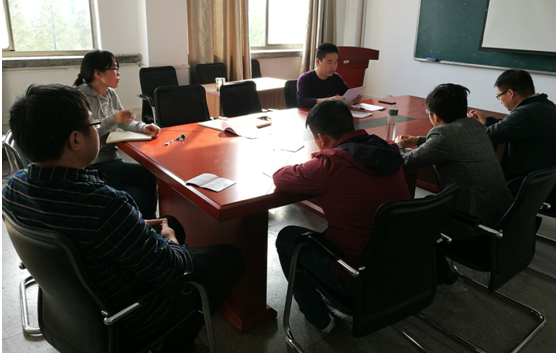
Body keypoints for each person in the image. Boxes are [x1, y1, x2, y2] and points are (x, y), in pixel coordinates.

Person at [2, 84, 244, 352]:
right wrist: (171, 240)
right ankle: (175, 341)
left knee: (170, 221)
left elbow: (80, 233)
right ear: (75, 140)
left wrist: (139, 227)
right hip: (125, 317)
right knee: (229, 259)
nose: (97, 129)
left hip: (73, 310)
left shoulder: (13, 189)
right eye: (93, 124)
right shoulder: (102, 204)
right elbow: (172, 269)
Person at [273, 100, 410, 333]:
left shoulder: (330, 165)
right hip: (402, 268)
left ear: (321, 139)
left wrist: (319, 159)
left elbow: (280, 178)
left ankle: (319, 318)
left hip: (356, 277)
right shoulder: (388, 149)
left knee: (287, 238)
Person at [395, 84, 513, 283]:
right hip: (502, 216)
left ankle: (441, 272)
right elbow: (454, 141)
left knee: (414, 215)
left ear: (435, 117)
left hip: (472, 224)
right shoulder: (476, 126)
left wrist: (398, 146)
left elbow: (403, 164)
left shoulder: (443, 137)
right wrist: (419, 140)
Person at [75, 49, 159, 219]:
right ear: (98, 73)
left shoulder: (110, 93)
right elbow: (84, 136)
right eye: (114, 68)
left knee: (141, 192)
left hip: (112, 158)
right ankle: (151, 222)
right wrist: (113, 119)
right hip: (94, 164)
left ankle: (143, 221)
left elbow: (123, 121)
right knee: (148, 174)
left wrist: (143, 127)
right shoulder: (80, 97)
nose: (119, 73)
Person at [467, 69, 556, 179]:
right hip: (544, 179)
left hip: (525, 180)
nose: (500, 101)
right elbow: (511, 125)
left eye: (499, 96)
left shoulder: (527, 112)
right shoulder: (544, 105)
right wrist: (487, 121)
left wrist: (469, 124)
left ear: (510, 93)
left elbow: (488, 136)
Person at [297, 43, 360, 108]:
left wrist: (355, 99)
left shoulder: (336, 78)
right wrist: (329, 100)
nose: (333, 66)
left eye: (335, 62)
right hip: (310, 113)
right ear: (318, 62)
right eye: (329, 62)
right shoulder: (305, 79)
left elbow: (347, 95)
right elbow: (302, 101)